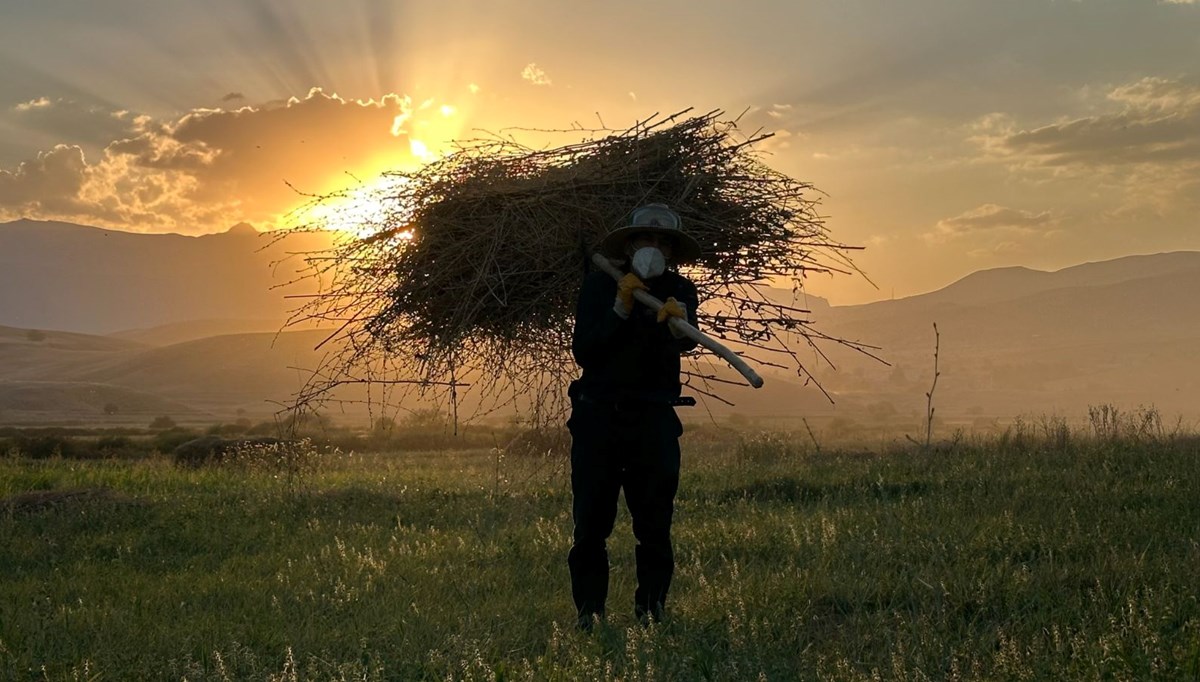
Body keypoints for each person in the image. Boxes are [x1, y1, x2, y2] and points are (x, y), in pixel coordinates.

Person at [567, 203, 702, 630]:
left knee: (655, 527)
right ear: (629, 244)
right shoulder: (598, 286)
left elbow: (686, 346)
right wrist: (619, 310)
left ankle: (652, 614)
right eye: (647, 239)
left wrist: (675, 324)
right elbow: (585, 351)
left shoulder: (680, 291)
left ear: (672, 251)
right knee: (591, 527)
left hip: (654, 422)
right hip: (598, 421)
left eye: (663, 242)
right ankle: (589, 614)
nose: (654, 247)